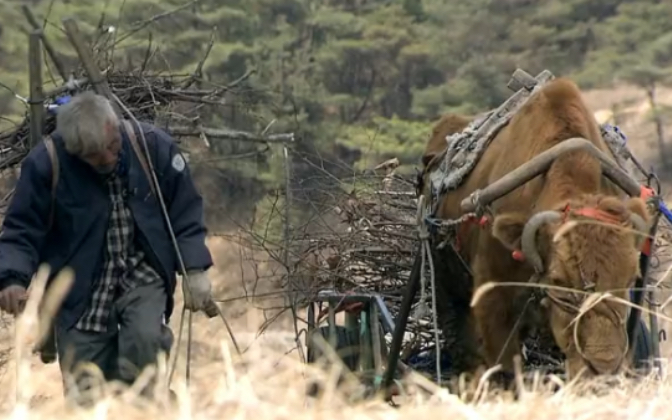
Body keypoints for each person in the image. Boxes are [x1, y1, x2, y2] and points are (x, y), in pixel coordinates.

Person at [0, 91, 214, 403]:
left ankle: (150, 406)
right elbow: (22, 228)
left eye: (113, 148)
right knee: (84, 389)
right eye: (95, 157)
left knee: (145, 345)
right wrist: (12, 278)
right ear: (75, 151)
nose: (109, 159)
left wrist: (194, 269)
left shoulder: (152, 146)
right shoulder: (48, 162)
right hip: (78, 285)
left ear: (115, 127)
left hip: (142, 271)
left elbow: (185, 210)